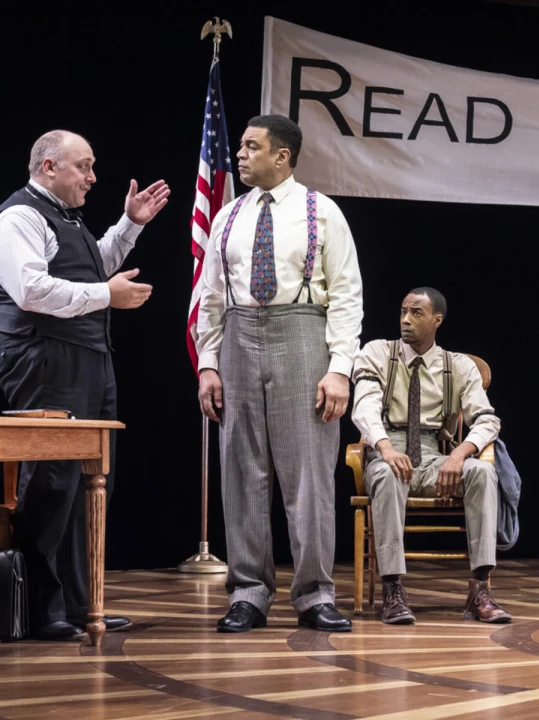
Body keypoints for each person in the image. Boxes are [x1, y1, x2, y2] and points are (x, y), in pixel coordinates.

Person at [0, 130, 169, 640]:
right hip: (42, 357)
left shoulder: (67, 218)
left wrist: (129, 225)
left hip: (87, 357)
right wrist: (106, 296)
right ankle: (42, 607)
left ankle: (86, 604)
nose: (92, 177)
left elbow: (90, 270)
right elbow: (31, 288)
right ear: (48, 166)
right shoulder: (17, 218)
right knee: (51, 481)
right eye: (83, 167)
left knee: (92, 481)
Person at [196, 115, 363, 633]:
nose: (240, 155)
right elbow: (211, 296)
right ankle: (248, 592)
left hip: (302, 331)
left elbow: (347, 296)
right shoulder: (228, 216)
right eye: (241, 146)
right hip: (240, 335)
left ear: (282, 156)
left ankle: (314, 594)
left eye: (251, 147)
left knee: (308, 473)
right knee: (242, 472)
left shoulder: (322, 212)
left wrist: (339, 370)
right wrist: (207, 362)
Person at [351, 287, 510, 624]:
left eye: (416, 313)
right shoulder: (378, 353)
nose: (406, 320)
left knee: (482, 472)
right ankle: (392, 589)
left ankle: (480, 589)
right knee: (387, 472)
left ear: (437, 320)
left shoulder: (458, 366)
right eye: (403, 312)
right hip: (388, 445)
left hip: (435, 454)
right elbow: (363, 404)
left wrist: (462, 453)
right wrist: (384, 447)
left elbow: (487, 418)